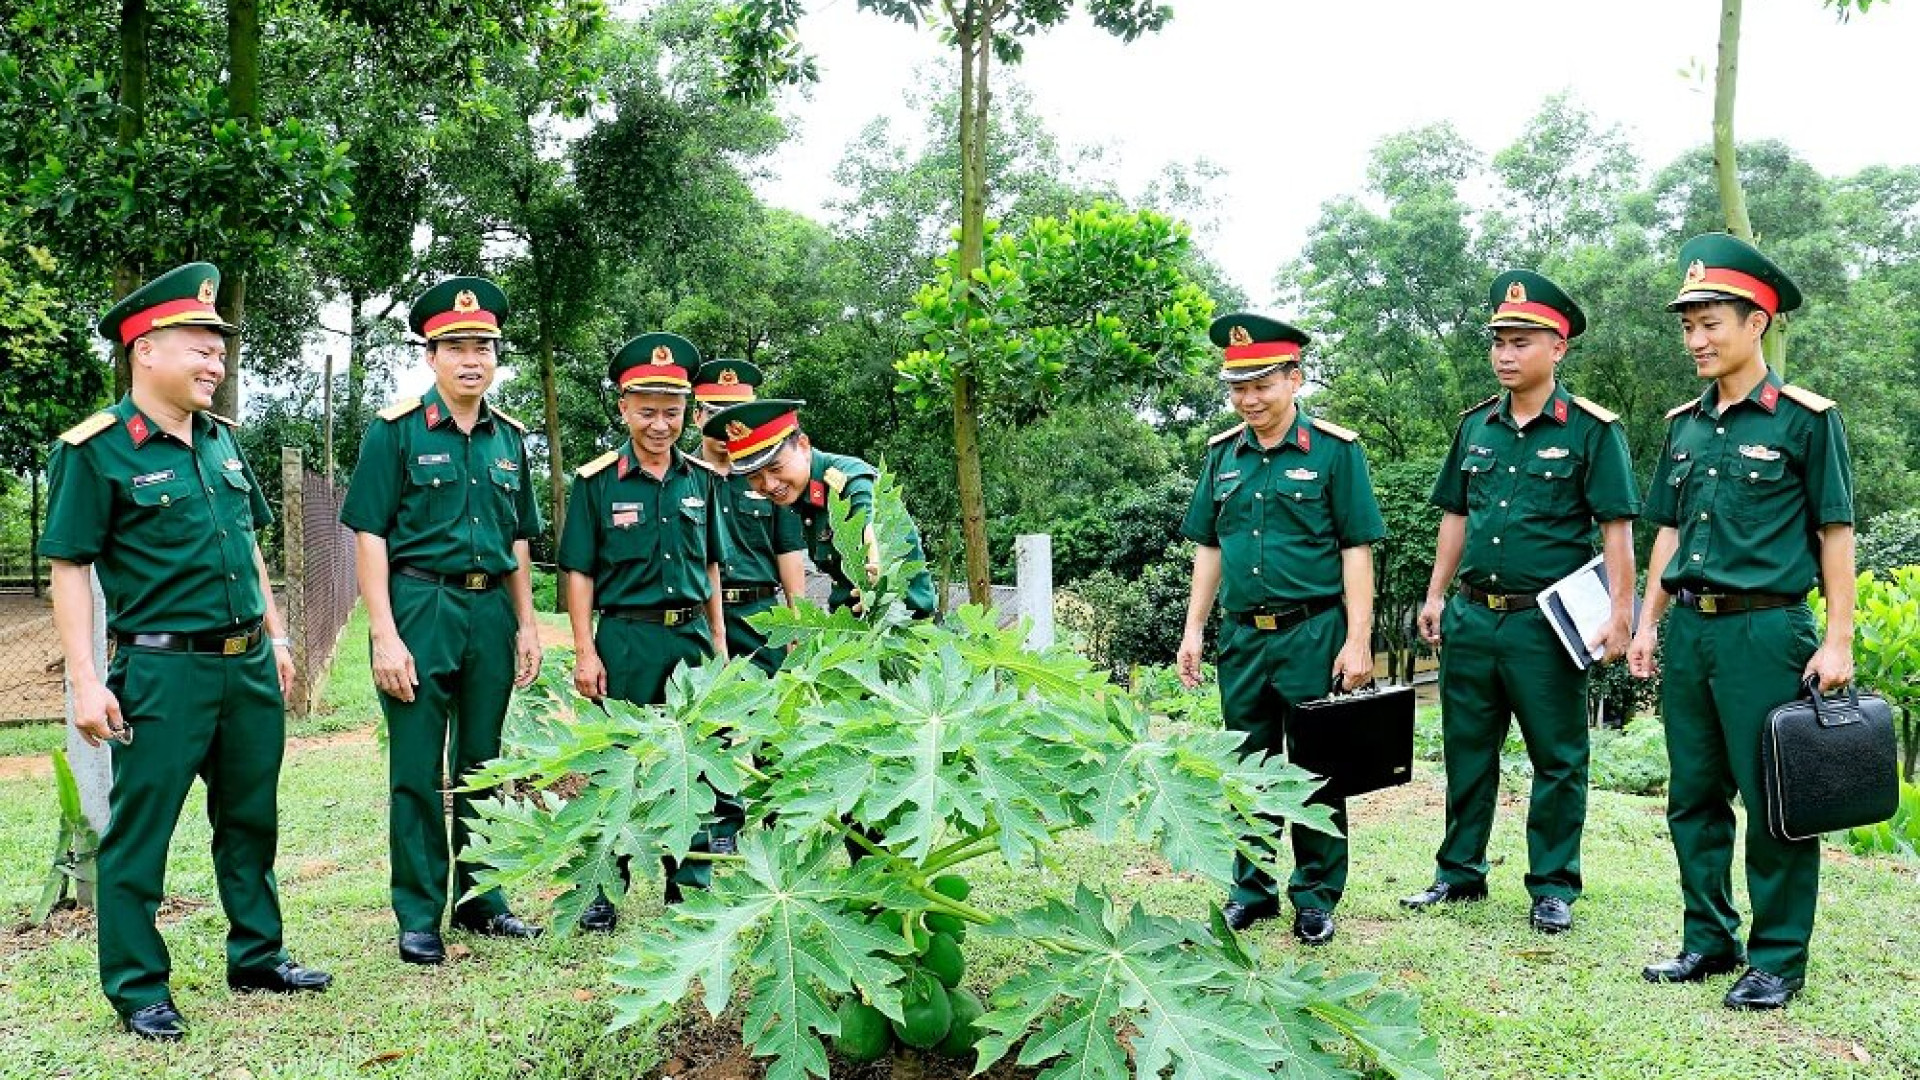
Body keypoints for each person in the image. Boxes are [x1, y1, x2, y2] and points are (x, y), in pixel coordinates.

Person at [41, 262, 330, 1040]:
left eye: (220, 350)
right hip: (164, 669)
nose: (217, 362)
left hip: (245, 666)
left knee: (250, 819)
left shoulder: (223, 443)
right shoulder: (96, 451)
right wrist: (85, 681)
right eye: (201, 346)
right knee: (143, 831)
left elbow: (251, 546)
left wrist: (274, 635)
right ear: (145, 349)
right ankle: (138, 987)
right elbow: (69, 566)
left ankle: (258, 956)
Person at [1629, 233, 1855, 1010]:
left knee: (1775, 802)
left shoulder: (1804, 420)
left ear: (1757, 321)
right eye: (1687, 326)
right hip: (1690, 631)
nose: (1695, 340)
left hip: (1767, 632)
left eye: (1711, 323)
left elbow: (1835, 531)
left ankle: (1779, 958)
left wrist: (1838, 639)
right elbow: (1668, 529)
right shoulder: (1683, 426)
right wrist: (1647, 621)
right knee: (1692, 793)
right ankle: (1708, 938)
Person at [1404, 271, 1639, 936]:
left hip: (1548, 624)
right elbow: (1455, 514)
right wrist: (1435, 594)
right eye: (1499, 342)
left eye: (1521, 342)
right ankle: (1458, 873)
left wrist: (1621, 612)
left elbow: (1617, 526)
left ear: (1558, 347)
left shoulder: (1593, 432)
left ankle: (1553, 884)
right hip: (1475, 617)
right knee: (1467, 749)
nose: (1506, 355)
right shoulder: (1475, 426)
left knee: (1558, 756)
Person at [340, 276, 545, 965]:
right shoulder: (395, 433)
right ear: (431, 356)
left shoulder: (509, 440)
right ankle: (419, 913)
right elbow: (369, 533)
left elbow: (519, 538)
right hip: (420, 605)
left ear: (495, 357)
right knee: (418, 770)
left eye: (483, 346)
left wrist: (527, 624)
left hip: (490, 610)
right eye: (455, 346)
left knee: (484, 765)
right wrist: (385, 634)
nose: (471, 358)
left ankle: (483, 901)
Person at [1175, 313, 1385, 942]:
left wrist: (1358, 637)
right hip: (1243, 638)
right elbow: (1209, 548)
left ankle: (1316, 895)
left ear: (1295, 378)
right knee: (1247, 768)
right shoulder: (1222, 456)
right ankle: (1252, 889)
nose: (1249, 399)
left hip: (1312, 634)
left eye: (1262, 383)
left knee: (1318, 771)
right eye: (1238, 387)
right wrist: (1194, 630)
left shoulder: (1335, 452)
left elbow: (1356, 549)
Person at [558, 332, 729, 931]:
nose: (660, 425)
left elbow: (710, 565)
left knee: (693, 765)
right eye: (648, 411)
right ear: (625, 410)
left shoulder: (704, 480)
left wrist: (721, 647)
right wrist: (584, 650)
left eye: (673, 413)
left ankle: (693, 885)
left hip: (688, 641)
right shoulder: (597, 482)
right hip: (625, 640)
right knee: (618, 767)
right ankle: (604, 883)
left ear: (688, 413)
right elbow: (578, 571)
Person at [700, 399, 938, 620]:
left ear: (803, 446)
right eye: (754, 477)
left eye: (775, 468)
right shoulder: (799, 499)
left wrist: (875, 562)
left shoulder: (848, 479)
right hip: (856, 629)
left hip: (903, 630)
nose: (769, 485)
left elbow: (866, 518)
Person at [689, 359, 809, 674]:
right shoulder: (680, 476)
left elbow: (789, 552)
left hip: (761, 616)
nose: (728, 426)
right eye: (716, 414)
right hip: (697, 615)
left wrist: (797, 624)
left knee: (769, 714)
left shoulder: (770, 479)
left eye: (737, 413)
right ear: (696, 415)